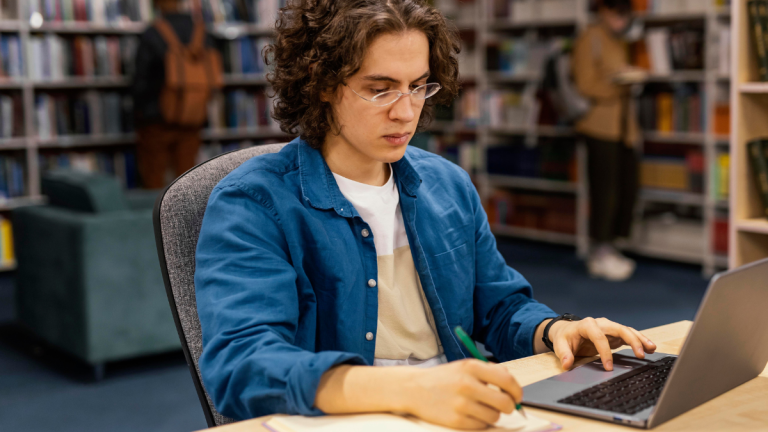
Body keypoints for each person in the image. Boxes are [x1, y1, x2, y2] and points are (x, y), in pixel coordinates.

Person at [194, 0, 657, 429]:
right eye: (381, 90)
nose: (406, 112)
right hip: (354, 417)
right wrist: (412, 390)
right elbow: (245, 367)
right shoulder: (255, 203)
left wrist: (553, 330)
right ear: (323, 87)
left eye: (418, 87)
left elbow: (499, 308)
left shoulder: (448, 184)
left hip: (462, 408)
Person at [572, 0, 643, 282]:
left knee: (627, 186)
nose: (620, 21)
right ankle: (599, 251)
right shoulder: (591, 38)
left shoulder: (620, 40)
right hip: (599, 125)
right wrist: (621, 83)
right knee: (604, 190)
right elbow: (585, 83)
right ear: (603, 11)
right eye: (616, 14)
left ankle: (611, 246)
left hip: (624, 126)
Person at [132, 0, 214, 188]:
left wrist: (138, 113)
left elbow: (140, 81)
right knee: (187, 182)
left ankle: (152, 218)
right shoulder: (202, 32)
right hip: (193, 117)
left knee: (153, 180)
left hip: (156, 119)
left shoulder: (153, 33)